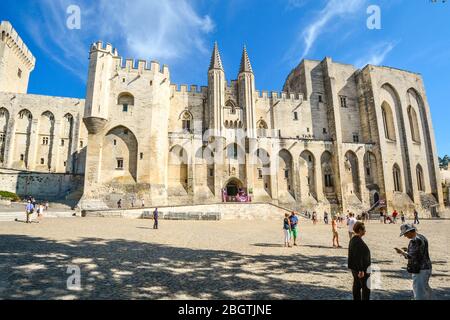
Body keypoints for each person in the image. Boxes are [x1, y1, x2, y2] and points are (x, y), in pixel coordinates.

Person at [395, 224, 432, 300]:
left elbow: (411, 256)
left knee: (419, 292)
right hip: (426, 268)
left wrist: (401, 252)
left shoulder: (415, 240)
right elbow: (418, 252)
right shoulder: (421, 237)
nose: (405, 236)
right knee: (425, 290)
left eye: (405, 234)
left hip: (420, 269)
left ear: (410, 231)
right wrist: (407, 250)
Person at [348, 222, 371, 300]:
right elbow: (358, 257)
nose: (365, 231)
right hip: (361, 270)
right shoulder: (357, 241)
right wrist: (360, 270)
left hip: (356, 268)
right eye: (364, 229)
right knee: (365, 289)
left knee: (357, 286)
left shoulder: (354, 239)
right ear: (360, 230)